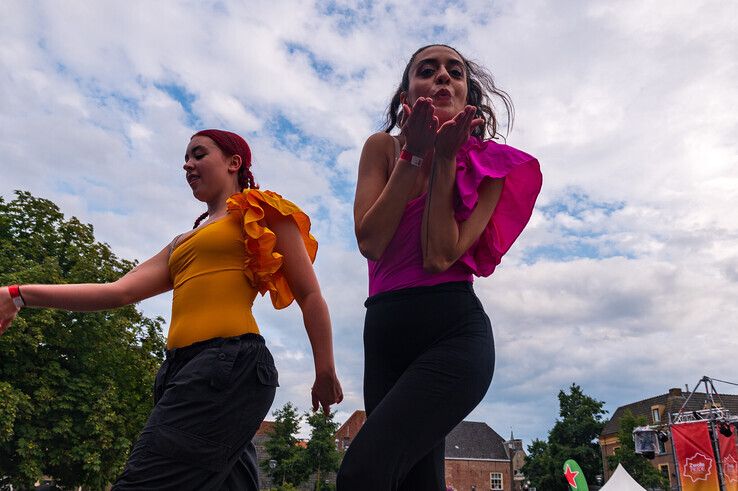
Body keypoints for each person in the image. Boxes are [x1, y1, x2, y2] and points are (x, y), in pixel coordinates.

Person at [0, 129, 343, 489]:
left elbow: (310, 295)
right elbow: (116, 292)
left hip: (227, 366)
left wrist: (325, 369)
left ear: (233, 162)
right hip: (179, 371)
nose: (187, 164)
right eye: (186, 158)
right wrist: (19, 294)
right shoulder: (182, 242)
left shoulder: (260, 212)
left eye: (198, 154)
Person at [336, 45, 542, 490]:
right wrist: (415, 154)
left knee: (362, 473)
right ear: (407, 94)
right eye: (427, 71)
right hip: (386, 333)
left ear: (469, 96)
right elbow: (370, 241)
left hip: (454, 333)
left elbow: (438, 255)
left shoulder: (490, 168)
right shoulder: (382, 149)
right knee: (413, 482)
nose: (443, 77)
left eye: (456, 72)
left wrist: (446, 159)